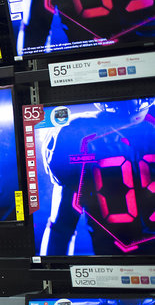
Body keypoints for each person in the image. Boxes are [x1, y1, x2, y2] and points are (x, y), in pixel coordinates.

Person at [40, 98, 155, 255]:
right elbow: (62, 226)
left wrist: (52, 273)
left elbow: (61, 228)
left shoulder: (77, 133)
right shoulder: (77, 134)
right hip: (111, 262)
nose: (132, 105)